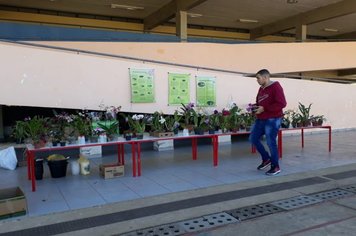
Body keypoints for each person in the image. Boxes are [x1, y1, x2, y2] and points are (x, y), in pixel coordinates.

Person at [249, 69, 287, 176]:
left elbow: (282, 103)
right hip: (261, 118)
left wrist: (264, 109)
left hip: (273, 119)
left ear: (265, 77)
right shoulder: (261, 88)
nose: (257, 80)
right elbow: (259, 102)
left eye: (258, 78)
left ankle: (275, 166)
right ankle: (266, 159)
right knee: (253, 138)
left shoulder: (276, 86)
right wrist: (255, 108)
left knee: (271, 142)